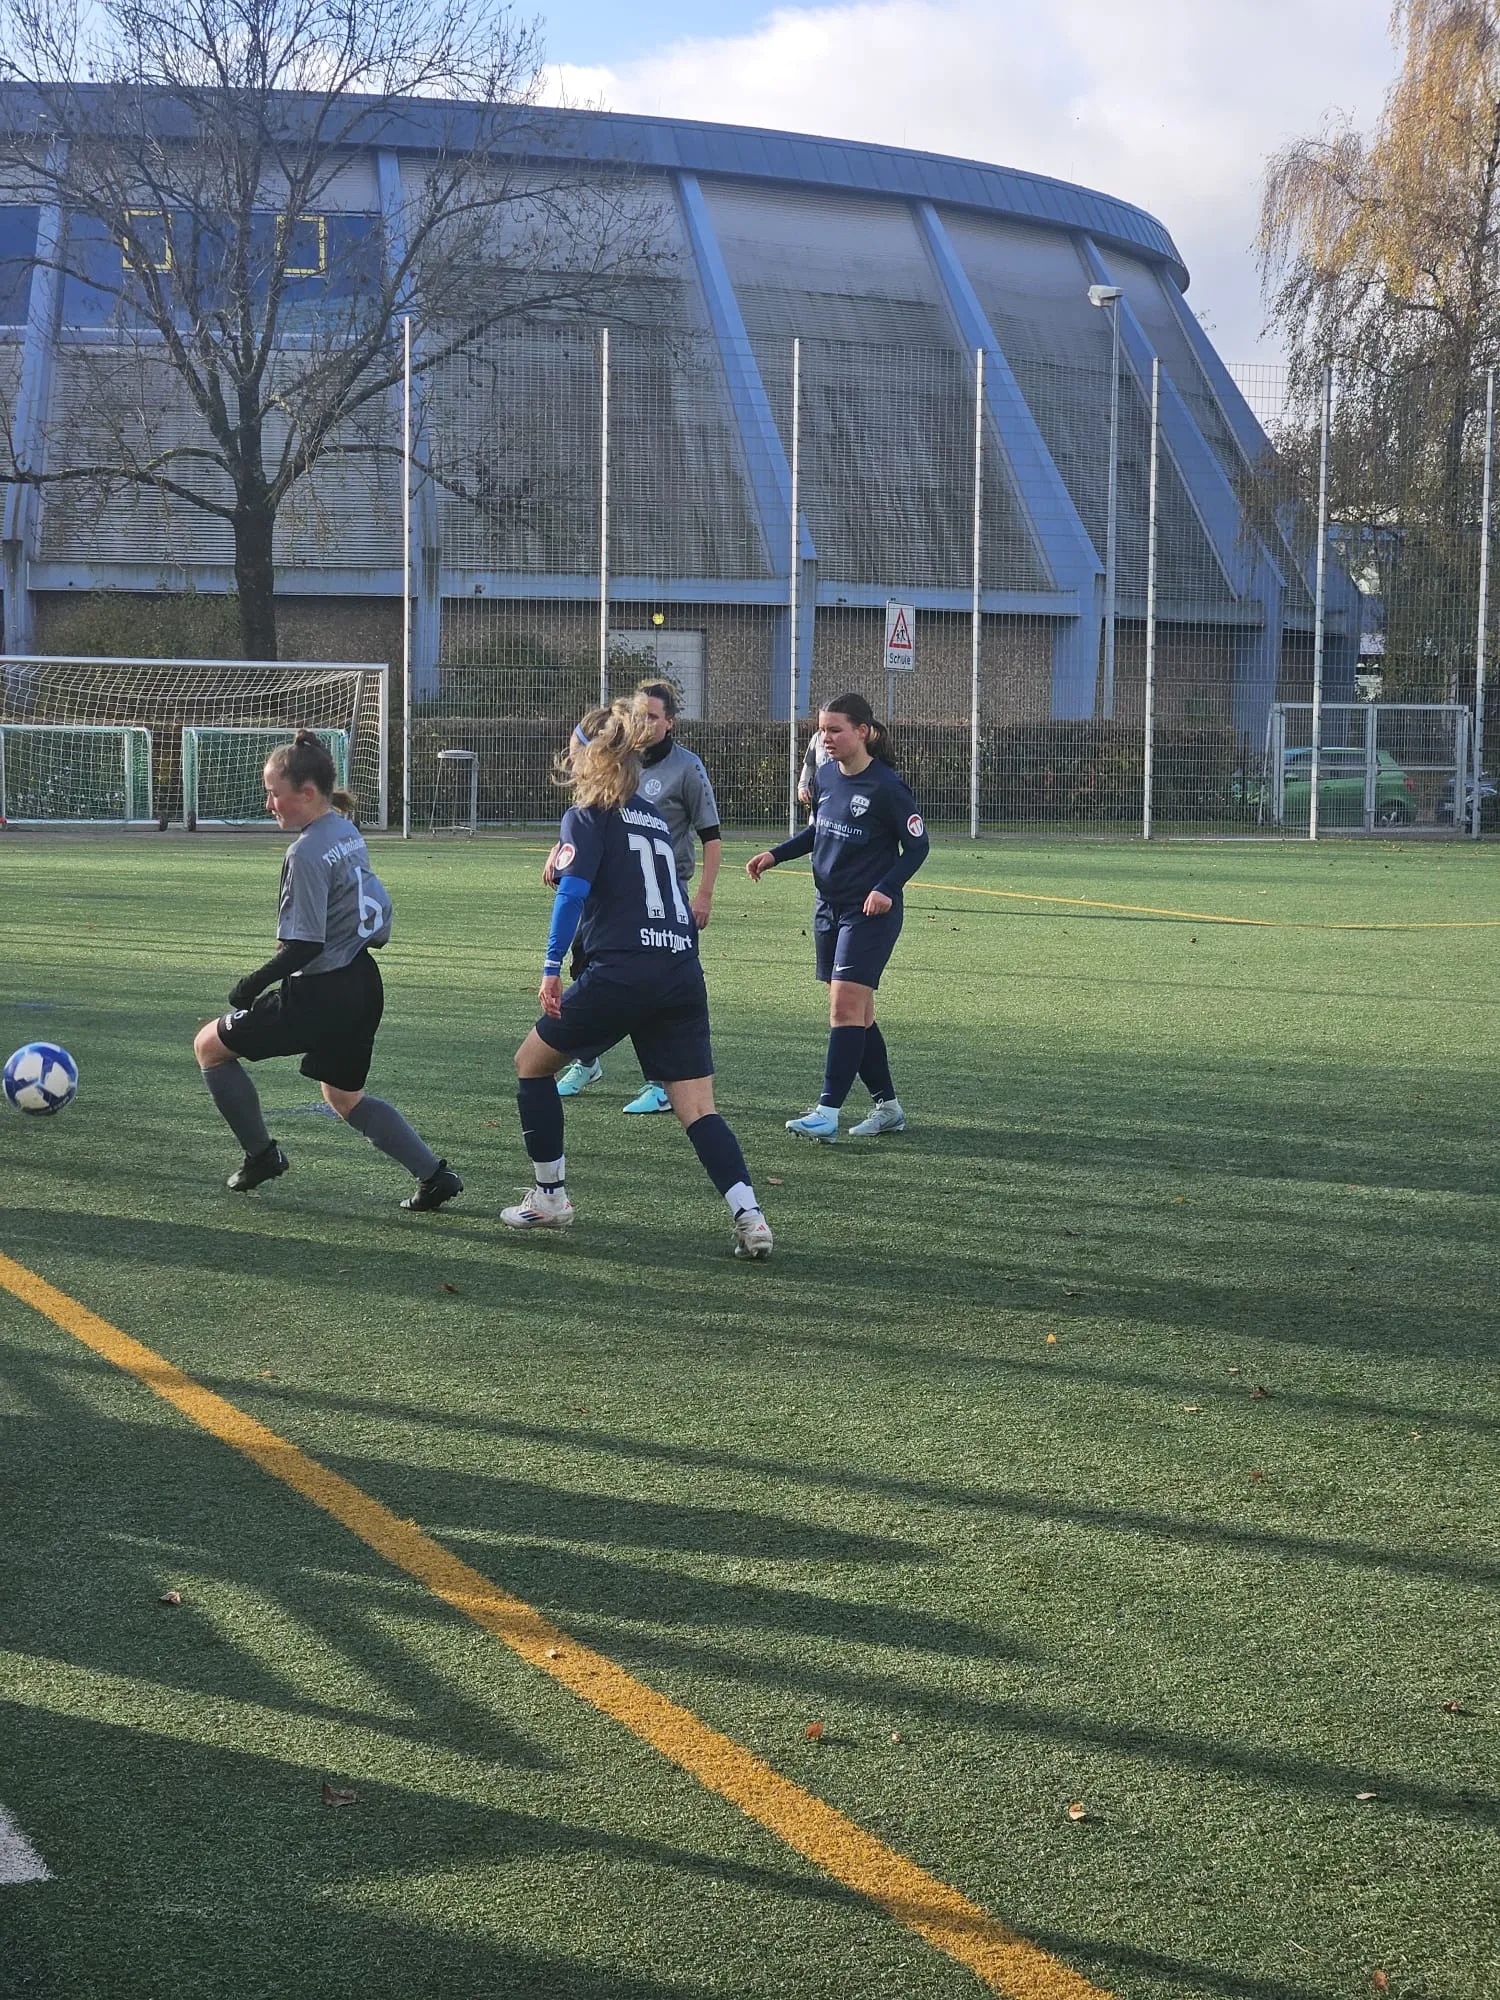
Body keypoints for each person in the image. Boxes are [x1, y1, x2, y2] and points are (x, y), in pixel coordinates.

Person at [505, 695, 772, 1258]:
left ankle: (549, 1197)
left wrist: (551, 967)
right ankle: (750, 1215)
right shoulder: (651, 815)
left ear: (592, 756)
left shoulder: (587, 813)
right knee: (698, 1109)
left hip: (624, 970)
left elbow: (572, 896)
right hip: (680, 969)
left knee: (531, 1064)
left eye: (575, 750)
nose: (571, 760)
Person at [192, 730, 462, 1210]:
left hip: (321, 993)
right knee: (345, 1098)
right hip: (362, 984)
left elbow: (304, 945)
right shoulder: (342, 827)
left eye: (274, 793)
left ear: (307, 792)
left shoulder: (305, 851)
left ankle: (262, 1156)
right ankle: (435, 1176)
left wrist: (250, 985)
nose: (269, 804)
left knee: (209, 1047)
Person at [746, 691, 929, 1142]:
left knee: (844, 1009)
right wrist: (775, 854)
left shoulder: (887, 787)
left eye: (835, 729)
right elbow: (818, 831)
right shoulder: (826, 776)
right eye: (821, 729)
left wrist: (886, 888)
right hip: (827, 908)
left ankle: (826, 1113)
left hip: (868, 914)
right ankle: (888, 1107)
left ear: (862, 732)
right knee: (858, 1016)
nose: (825, 738)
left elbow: (917, 847)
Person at [550, 678, 724, 1114]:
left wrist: (704, 894)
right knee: (587, 965)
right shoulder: (620, 759)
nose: (644, 723)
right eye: (638, 715)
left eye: (652, 716)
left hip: (664, 893)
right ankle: (586, 1061)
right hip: (612, 889)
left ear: (670, 723)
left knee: (650, 977)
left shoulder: (686, 768)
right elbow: (594, 817)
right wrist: (561, 853)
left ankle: (661, 1082)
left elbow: (711, 836)